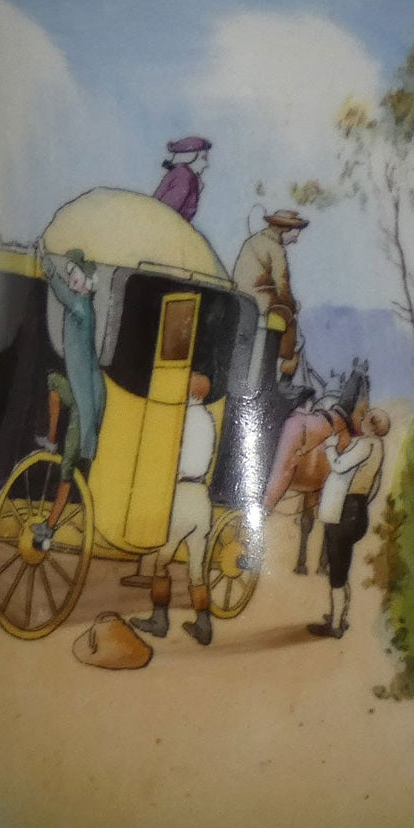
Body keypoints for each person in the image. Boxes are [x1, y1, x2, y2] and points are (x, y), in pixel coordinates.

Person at [131, 371, 218, 645]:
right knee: (196, 569)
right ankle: (204, 625)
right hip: (201, 497)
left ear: (190, 392)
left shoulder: (182, 418)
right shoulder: (209, 420)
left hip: (182, 496)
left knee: (160, 562)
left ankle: (159, 620)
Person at [33, 246, 105, 550]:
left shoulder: (82, 308)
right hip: (79, 389)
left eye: (75, 275)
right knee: (53, 381)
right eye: (71, 275)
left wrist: (46, 263)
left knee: (67, 468)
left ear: (87, 283)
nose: (72, 279)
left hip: (85, 399)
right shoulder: (81, 305)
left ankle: (49, 529)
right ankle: (51, 438)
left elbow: (62, 293)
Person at [308, 408, 391, 640]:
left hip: (345, 512)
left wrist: (331, 447)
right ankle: (339, 615)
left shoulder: (365, 444)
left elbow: (339, 465)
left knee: (337, 570)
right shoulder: (378, 448)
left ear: (370, 425)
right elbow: (375, 485)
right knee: (341, 566)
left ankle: (335, 625)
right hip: (358, 509)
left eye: (366, 418)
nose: (361, 420)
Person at [231, 209, 308, 380]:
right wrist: (293, 306)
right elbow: (282, 286)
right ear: (285, 229)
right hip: (263, 303)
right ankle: (283, 378)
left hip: (241, 301)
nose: (296, 239)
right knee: (296, 336)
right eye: (295, 234)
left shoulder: (252, 241)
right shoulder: (276, 249)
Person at [152, 136, 211, 222]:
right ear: (191, 157)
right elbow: (167, 213)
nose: (206, 164)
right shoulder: (184, 176)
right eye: (203, 158)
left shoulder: (181, 174)